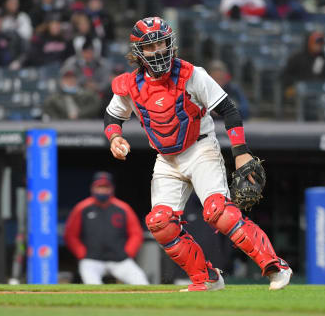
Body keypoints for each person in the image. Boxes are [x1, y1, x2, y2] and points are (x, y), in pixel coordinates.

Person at [103, 17, 292, 292]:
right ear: (138, 52)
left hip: (200, 149)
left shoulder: (192, 74)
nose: (157, 51)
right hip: (165, 159)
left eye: (161, 43)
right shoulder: (130, 86)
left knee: (219, 213)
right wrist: (114, 137)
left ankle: (275, 265)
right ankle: (207, 278)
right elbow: (111, 116)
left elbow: (229, 110)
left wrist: (241, 152)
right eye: (150, 46)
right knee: (160, 223)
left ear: (171, 44)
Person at [64, 171, 149, 285]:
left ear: (112, 188)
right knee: (92, 286)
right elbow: (70, 235)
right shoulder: (82, 208)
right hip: (92, 259)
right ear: (92, 188)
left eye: (105, 187)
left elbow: (136, 234)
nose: (102, 190)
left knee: (141, 282)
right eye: (99, 187)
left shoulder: (123, 208)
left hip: (120, 259)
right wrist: (82, 253)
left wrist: (128, 252)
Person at [281, 31, 325, 102]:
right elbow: (284, 75)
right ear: (309, 42)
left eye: (320, 44)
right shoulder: (297, 57)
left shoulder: (322, 58)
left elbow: (324, 77)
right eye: (316, 43)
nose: (318, 46)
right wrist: (295, 84)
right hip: (297, 90)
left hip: (316, 92)